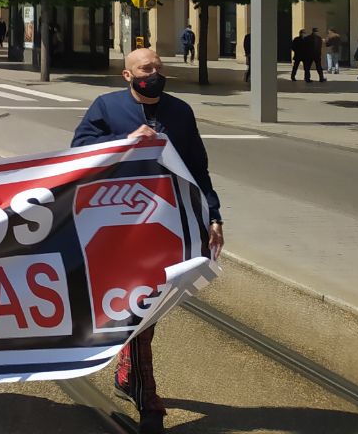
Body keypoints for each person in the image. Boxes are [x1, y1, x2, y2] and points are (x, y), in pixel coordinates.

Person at [71, 48, 223, 434]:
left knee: (151, 305)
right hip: (117, 225)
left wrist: (214, 215)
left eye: (158, 67)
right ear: (127, 75)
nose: (153, 73)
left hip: (168, 223)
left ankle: (130, 373)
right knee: (136, 303)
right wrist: (126, 139)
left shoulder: (180, 111)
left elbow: (197, 168)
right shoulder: (106, 107)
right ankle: (146, 395)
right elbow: (79, 152)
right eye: (145, 68)